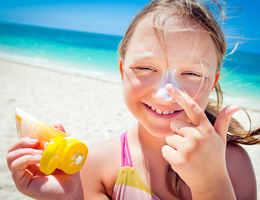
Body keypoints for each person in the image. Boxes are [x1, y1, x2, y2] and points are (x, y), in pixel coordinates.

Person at [6, 0, 260, 199]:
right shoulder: (96, 166)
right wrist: (71, 197)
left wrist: (212, 184)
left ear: (213, 82)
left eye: (192, 73)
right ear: (122, 71)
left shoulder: (232, 164)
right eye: (146, 68)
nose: (164, 93)